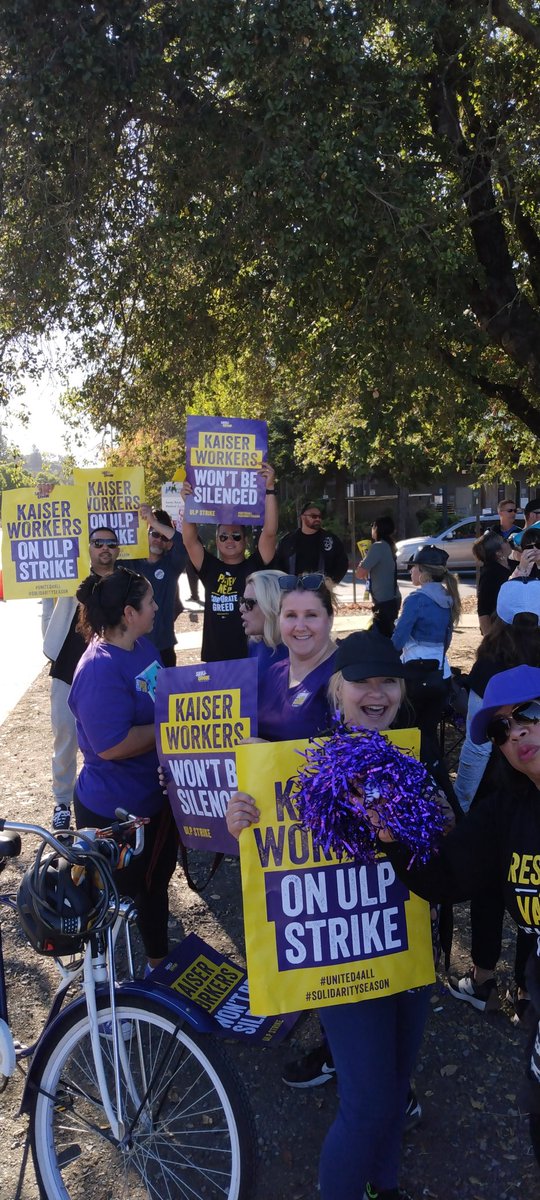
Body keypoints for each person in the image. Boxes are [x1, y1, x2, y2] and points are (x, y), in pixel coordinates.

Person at [227, 627, 440, 1200]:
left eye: (389, 681)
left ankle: (384, 1187)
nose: (377, 694)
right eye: (363, 682)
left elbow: (451, 851)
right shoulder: (299, 763)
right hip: (343, 957)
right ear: (338, 689)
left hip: (406, 944)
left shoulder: (420, 756)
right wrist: (241, 817)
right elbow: (262, 842)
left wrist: (441, 818)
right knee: (367, 1105)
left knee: (394, 1092)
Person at [378, 663, 540, 1173]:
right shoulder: (505, 813)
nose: (516, 733)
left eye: (529, 714)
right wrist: (394, 839)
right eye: (500, 729)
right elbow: (445, 878)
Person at [68, 568, 178, 968]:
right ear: (129, 612)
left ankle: (156, 967)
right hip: (112, 812)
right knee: (109, 910)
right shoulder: (99, 668)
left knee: (153, 890)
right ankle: (106, 995)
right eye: (150, 603)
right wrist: (173, 726)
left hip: (152, 803)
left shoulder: (141, 646)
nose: (156, 608)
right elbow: (111, 745)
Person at [450, 579, 540, 1016]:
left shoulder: (487, 662)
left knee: (489, 884)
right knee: (532, 886)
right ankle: (527, 989)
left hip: (494, 784)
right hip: (531, 789)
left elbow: (475, 743)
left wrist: (463, 798)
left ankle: (483, 978)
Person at [43, 526, 120, 832]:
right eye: (98, 542)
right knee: (64, 737)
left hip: (106, 677)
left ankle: (106, 800)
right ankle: (62, 802)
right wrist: (45, 495)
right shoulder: (69, 577)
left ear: (118, 549)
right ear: (88, 547)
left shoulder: (125, 584)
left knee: (108, 740)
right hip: (66, 670)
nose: (105, 548)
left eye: (111, 543)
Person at [181, 463, 278, 661]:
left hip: (251, 658)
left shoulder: (256, 565)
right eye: (223, 537)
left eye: (236, 535)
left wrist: (269, 488)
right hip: (215, 658)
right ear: (216, 541)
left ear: (245, 540)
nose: (230, 541)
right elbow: (189, 540)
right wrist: (189, 502)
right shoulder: (209, 567)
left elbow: (269, 532)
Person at [392, 544, 461, 744]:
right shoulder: (448, 598)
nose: (410, 571)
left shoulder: (417, 599)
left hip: (415, 675)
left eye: (413, 567)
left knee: (407, 733)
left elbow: (398, 640)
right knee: (428, 735)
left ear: (422, 572)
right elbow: (446, 641)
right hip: (441, 674)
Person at [257, 573, 337, 741]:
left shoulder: (345, 676)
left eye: (311, 615)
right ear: (279, 619)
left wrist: (269, 753)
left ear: (330, 619)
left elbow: (355, 753)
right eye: (291, 615)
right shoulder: (274, 673)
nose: (300, 626)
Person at [123, 504, 186, 666]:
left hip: (163, 648)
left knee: (166, 692)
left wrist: (154, 522)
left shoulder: (172, 565)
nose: (158, 540)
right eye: (154, 534)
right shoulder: (129, 562)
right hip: (132, 646)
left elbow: (182, 542)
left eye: (164, 537)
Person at [275, 501, 349, 584]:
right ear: (302, 517)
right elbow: (277, 564)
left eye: (320, 516)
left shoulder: (330, 540)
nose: (318, 519)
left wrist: (331, 583)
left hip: (321, 591)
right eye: (313, 516)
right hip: (293, 591)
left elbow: (342, 563)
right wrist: (285, 583)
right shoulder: (288, 540)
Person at [355, 516, 401, 637]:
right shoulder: (390, 545)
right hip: (393, 597)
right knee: (388, 634)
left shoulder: (378, 546)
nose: (372, 529)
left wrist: (363, 561)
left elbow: (360, 573)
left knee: (381, 637)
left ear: (377, 528)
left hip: (383, 601)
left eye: (373, 526)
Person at [239, 568, 289, 679]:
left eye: (249, 603)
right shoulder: (256, 643)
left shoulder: (297, 652)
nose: (242, 608)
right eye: (242, 601)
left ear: (272, 604)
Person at [472, 529, 512, 635]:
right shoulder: (490, 574)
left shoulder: (513, 565)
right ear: (498, 553)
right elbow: (483, 609)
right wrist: (488, 639)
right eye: (504, 540)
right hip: (499, 631)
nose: (508, 541)